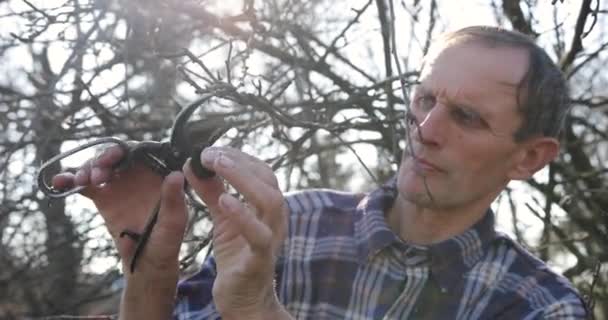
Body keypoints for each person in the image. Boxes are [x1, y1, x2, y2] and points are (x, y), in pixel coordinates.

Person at [53, 26, 589, 319]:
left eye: (466, 117)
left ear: (529, 157)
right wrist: (150, 271)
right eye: (424, 97)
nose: (424, 129)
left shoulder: (539, 307)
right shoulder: (289, 226)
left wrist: (256, 312)